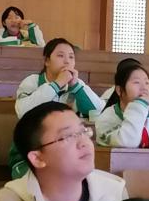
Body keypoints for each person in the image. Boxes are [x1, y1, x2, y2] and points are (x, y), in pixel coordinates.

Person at [13, 39, 103, 177]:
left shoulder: (76, 85)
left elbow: (97, 111)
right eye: (60, 56)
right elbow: (23, 111)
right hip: (31, 152)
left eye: (71, 57)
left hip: (67, 153)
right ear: (47, 61)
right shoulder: (32, 82)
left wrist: (76, 87)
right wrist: (57, 84)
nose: (67, 61)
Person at [95, 61, 149, 154]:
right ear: (119, 90)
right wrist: (139, 104)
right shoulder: (105, 120)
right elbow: (128, 142)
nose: (144, 88)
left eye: (147, 82)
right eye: (136, 82)